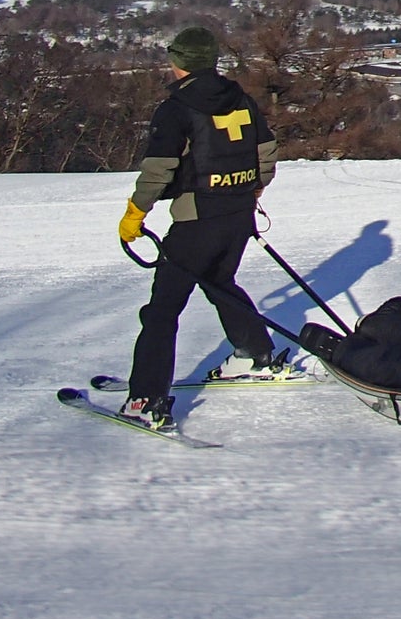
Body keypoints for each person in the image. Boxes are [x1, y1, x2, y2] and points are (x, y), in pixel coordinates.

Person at [116, 25, 283, 428]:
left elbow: (159, 170)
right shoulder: (240, 99)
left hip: (196, 220)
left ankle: (147, 398)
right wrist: (254, 189)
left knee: (162, 310)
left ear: (178, 63)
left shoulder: (176, 109)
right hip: (238, 215)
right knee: (221, 281)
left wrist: (135, 213)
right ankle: (255, 355)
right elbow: (267, 153)